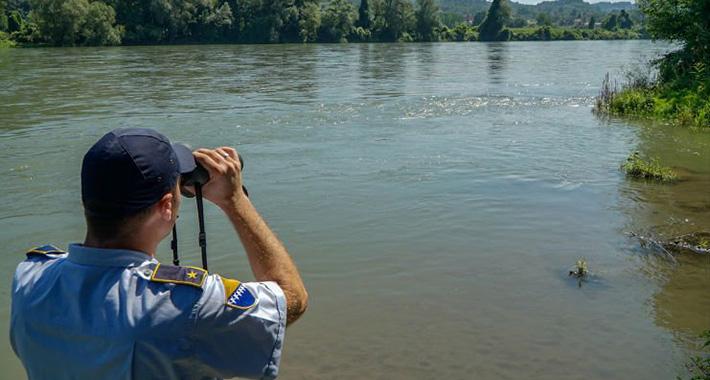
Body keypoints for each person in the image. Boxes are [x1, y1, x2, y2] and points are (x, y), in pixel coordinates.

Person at [10, 128, 308, 380]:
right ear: (167, 206)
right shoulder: (185, 305)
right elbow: (291, 300)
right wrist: (234, 201)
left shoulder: (30, 279)